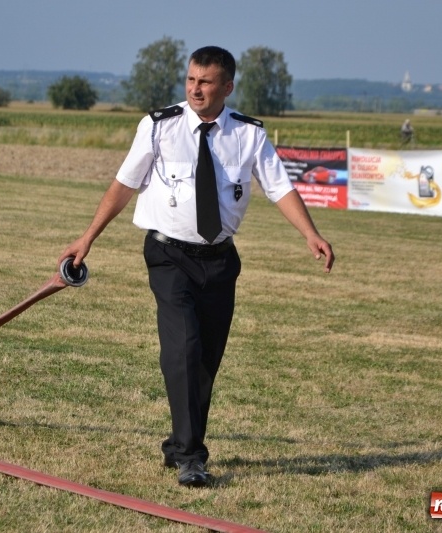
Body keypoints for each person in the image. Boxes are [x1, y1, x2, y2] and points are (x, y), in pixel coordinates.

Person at [57, 46, 334, 488]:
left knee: (205, 360)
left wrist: (310, 233)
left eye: (205, 82)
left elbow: (279, 187)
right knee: (183, 348)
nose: (195, 89)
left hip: (221, 262)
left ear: (227, 86)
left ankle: (178, 444)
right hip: (169, 256)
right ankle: (191, 457)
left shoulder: (249, 135)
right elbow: (124, 185)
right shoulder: (158, 127)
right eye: (190, 80)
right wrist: (87, 238)